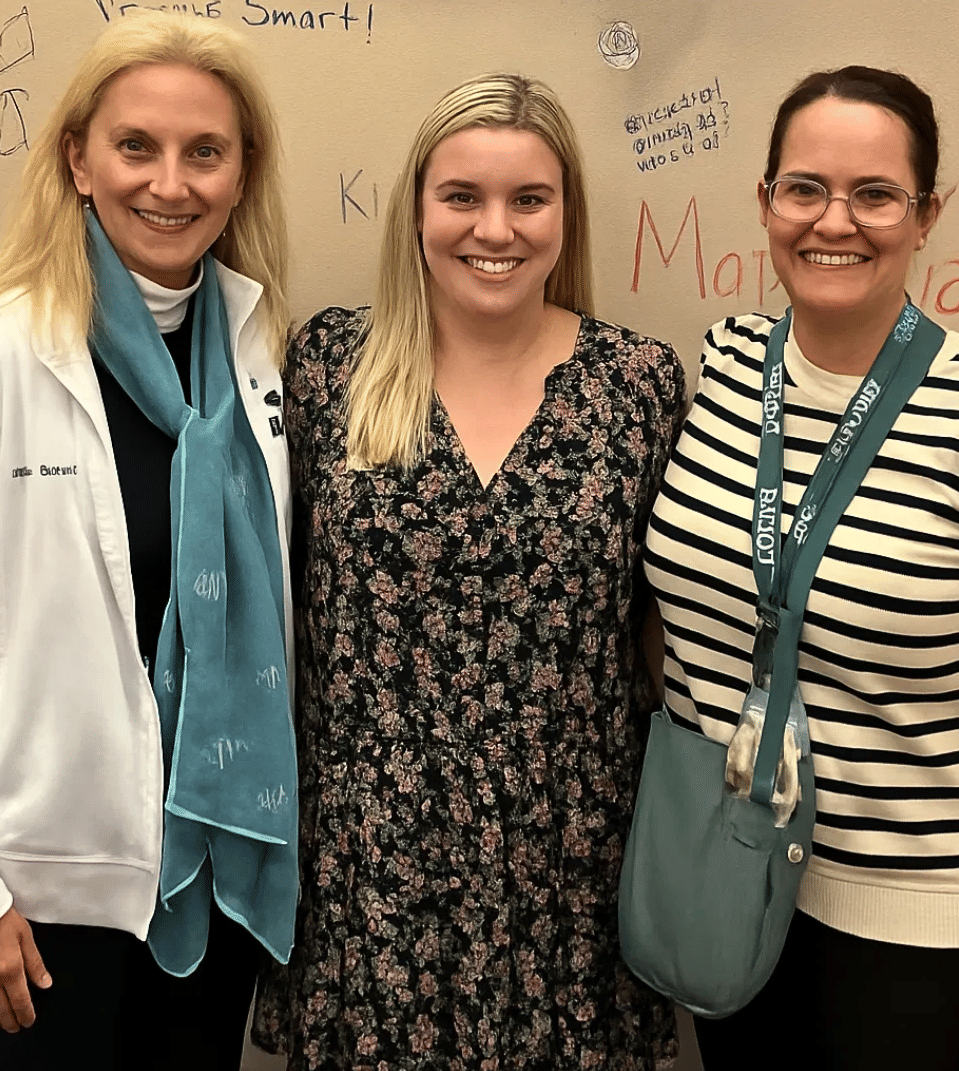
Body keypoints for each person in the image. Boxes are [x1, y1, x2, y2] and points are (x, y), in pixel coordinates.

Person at [252, 73, 685, 1070]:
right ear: (416, 207)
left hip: (571, 865)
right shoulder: (330, 368)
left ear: (566, 213)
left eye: (529, 198)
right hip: (373, 863)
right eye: (462, 197)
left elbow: (668, 624)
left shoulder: (637, 383)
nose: (496, 229)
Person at [644, 65, 959, 1071]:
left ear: (927, 216)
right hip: (725, 882)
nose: (837, 220)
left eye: (875, 194)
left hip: (914, 931)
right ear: (766, 202)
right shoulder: (730, 362)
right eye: (805, 189)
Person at [0, 11, 297, 1071]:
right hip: (38, 899)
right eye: (136, 147)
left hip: (212, 867)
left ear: (241, 172)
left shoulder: (261, 356)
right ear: (77, 158)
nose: (172, 183)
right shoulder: (1, 354)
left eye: (204, 151)